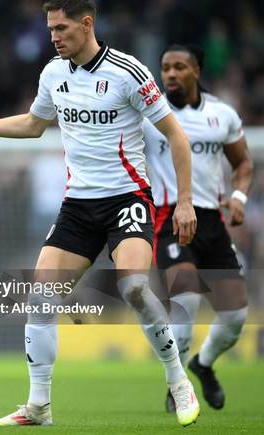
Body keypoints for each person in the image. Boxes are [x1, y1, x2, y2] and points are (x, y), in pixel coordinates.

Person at [0, 0, 201, 428]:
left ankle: (177, 380)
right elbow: (34, 125)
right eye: (50, 28)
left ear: (86, 23)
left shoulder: (127, 73)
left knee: (131, 287)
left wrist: (184, 202)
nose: (53, 36)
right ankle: (38, 406)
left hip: (127, 199)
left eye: (60, 27)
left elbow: (177, 137)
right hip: (78, 205)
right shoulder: (53, 73)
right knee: (40, 297)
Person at [143, 44, 253, 413]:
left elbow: (243, 163)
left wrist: (238, 195)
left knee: (235, 317)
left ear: (197, 71)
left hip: (212, 222)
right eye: (165, 68)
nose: (171, 74)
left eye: (179, 67)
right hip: (167, 217)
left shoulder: (221, 115)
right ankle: (178, 387)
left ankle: (202, 365)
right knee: (186, 299)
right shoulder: (147, 115)